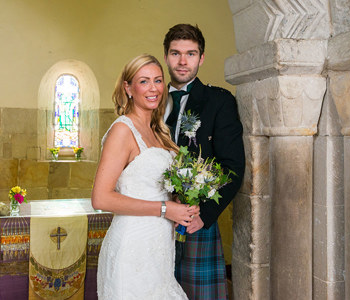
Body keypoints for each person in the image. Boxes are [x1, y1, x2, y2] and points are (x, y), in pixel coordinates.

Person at [92, 54, 200, 299]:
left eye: (158, 80)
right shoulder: (122, 130)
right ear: (128, 88)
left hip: (159, 249)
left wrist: (183, 206)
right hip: (132, 248)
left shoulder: (158, 131)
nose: (153, 88)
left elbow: (159, 187)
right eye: (144, 81)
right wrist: (165, 209)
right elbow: (100, 198)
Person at [163, 24, 245, 299]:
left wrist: (206, 214)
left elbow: (233, 166)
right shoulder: (150, 98)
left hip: (195, 218)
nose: (183, 61)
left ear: (201, 58)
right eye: (176, 53)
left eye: (191, 53)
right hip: (152, 214)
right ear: (166, 56)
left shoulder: (218, 101)